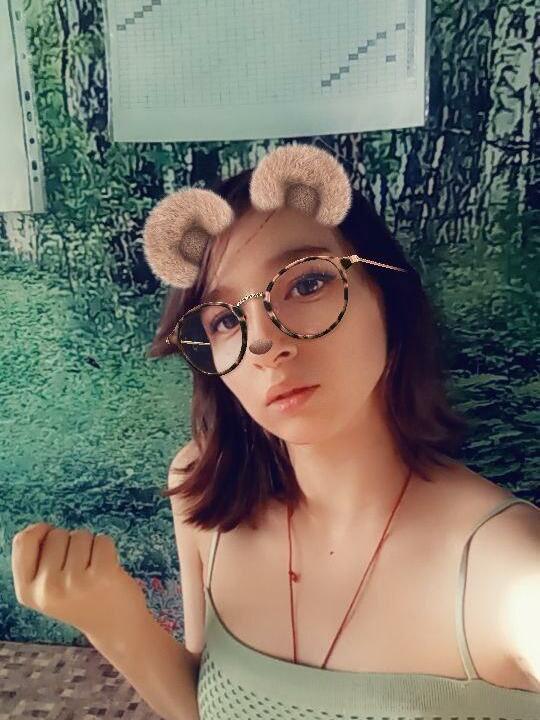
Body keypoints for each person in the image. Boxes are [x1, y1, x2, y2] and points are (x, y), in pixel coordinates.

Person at [144, 143, 540, 719]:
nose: (264, 343)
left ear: (387, 295)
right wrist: (106, 614)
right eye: (226, 319)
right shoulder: (205, 488)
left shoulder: (502, 569)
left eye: (306, 285)